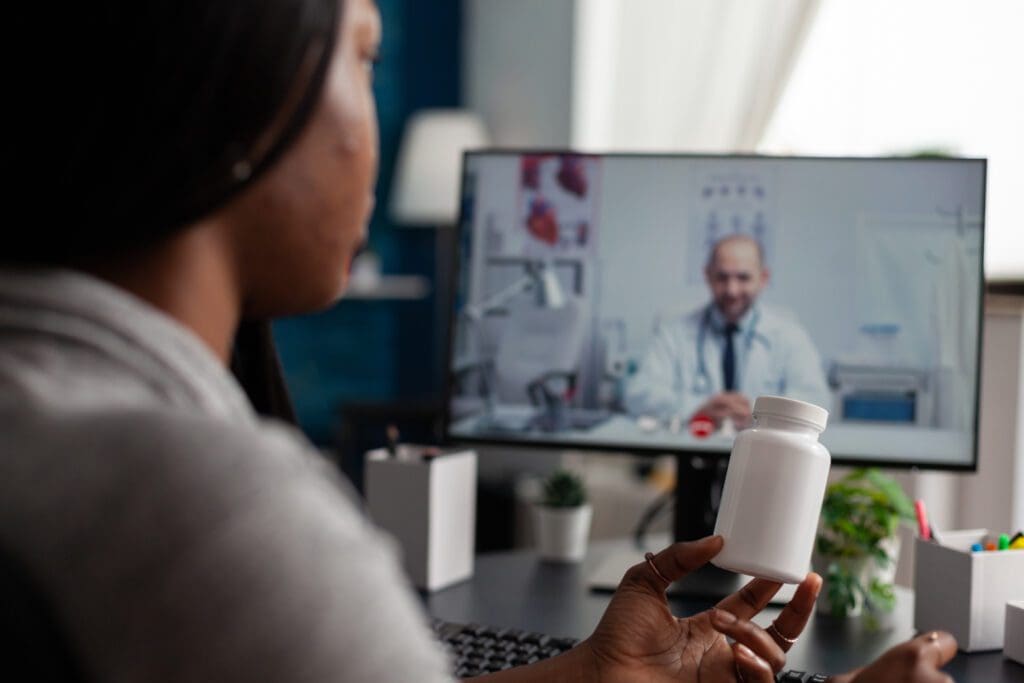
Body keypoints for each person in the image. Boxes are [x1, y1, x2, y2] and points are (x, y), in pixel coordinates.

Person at [1, 1, 957, 681]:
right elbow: (650, 393)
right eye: (366, 58)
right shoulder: (216, 515)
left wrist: (593, 675)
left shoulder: (39, 414)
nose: (375, 122)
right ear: (243, 84)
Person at [625, 235, 829, 429]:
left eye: (743, 278)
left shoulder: (789, 334)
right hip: (693, 451)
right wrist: (699, 408)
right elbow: (639, 395)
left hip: (764, 454)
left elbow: (817, 401)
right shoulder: (673, 331)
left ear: (763, 278)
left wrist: (759, 412)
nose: (732, 290)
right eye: (722, 277)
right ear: (708, 276)